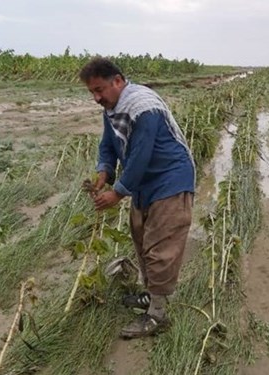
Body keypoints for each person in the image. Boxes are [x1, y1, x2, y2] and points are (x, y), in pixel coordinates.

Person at [79, 57, 195, 338]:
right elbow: (108, 143)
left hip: (170, 178)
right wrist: (104, 170)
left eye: (99, 90)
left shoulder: (144, 106)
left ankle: (157, 316)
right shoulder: (113, 106)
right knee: (141, 238)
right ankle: (152, 296)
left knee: (161, 247)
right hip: (144, 183)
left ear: (117, 81)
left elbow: (141, 155)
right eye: (92, 92)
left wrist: (117, 193)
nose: (96, 98)